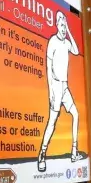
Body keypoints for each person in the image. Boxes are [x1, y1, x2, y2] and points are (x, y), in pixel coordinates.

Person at [37, 11, 85, 172]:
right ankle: (42, 154)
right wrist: (51, 92)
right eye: (62, 25)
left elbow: (77, 51)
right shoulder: (53, 42)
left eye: (66, 25)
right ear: (57, 25)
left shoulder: (66, 43)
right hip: (56, 87)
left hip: (65, 87)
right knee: (52, 121)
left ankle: (74, 151)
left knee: (76, 114)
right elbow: (48, 68)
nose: (64, 28)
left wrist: (70, 31)